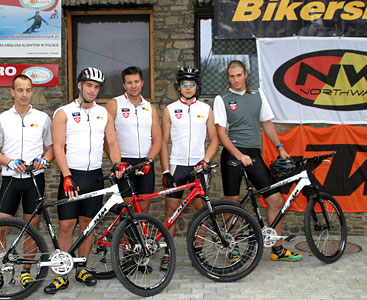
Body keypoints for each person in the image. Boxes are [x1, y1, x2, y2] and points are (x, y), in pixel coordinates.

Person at [45, 67, 124, 294]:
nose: (92, 90)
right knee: (67, 225)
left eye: (96, 87)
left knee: (87, 226)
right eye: (88, 85)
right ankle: (61, 274)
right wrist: (67, 175)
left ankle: (82, 267)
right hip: (73, 176)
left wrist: (117, 163)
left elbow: (112, 141)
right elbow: (58, 148)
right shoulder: (63, 112)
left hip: (95, 176)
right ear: (79, 85)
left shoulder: (103, 113)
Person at [213, 60, 303, 262]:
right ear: (228, 78)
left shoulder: (258, 96)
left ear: (246, 75)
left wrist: (281, 148)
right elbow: (221, 134)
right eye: (231, 76)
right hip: (233, 155)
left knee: (275, 200)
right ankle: (231, 247)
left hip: (253, 154)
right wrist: (238, 155)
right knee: (232, 202)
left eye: (239, 75)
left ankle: (277, 249)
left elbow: (267, 124)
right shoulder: (222, 99)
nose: (235, 80)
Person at [0, 74, 54, 291]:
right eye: (19, 90)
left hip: (34, 179)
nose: (24, 94)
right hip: (11, 180)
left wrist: (45, 159)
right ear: (12, 92)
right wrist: (9, 161)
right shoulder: (2, 119)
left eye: (28, 90)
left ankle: (26, 272)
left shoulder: (43, 118)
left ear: (32, 92)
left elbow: (51, 149)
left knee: (32, 228)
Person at [159, 66, 218, 271]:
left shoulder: (206, 109)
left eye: (192, 83)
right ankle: (167, 252)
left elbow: (214, 140)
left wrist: (205, 160)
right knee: (171, 210)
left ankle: (199, 251)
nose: (188, 87)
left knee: (200, 211)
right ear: (179, 86)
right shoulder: (169, 110)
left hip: (198, 167)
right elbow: (163, 142)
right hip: (177, 166)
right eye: (184, 84)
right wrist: (166, 170)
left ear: (197, 86)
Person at [105, 66, 162, 212]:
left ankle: (139, 236)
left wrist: (149, 160)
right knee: (127, 209)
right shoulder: (114, 104)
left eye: (136, 81)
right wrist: (117, 163)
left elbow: (158, 139)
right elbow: (106, 138)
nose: (133, 86)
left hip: (145, 163)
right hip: (124, 162)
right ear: (124, 85)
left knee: (144, 207)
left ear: (142, 82)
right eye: (129, 83)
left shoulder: (150, 108)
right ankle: (122, 236)